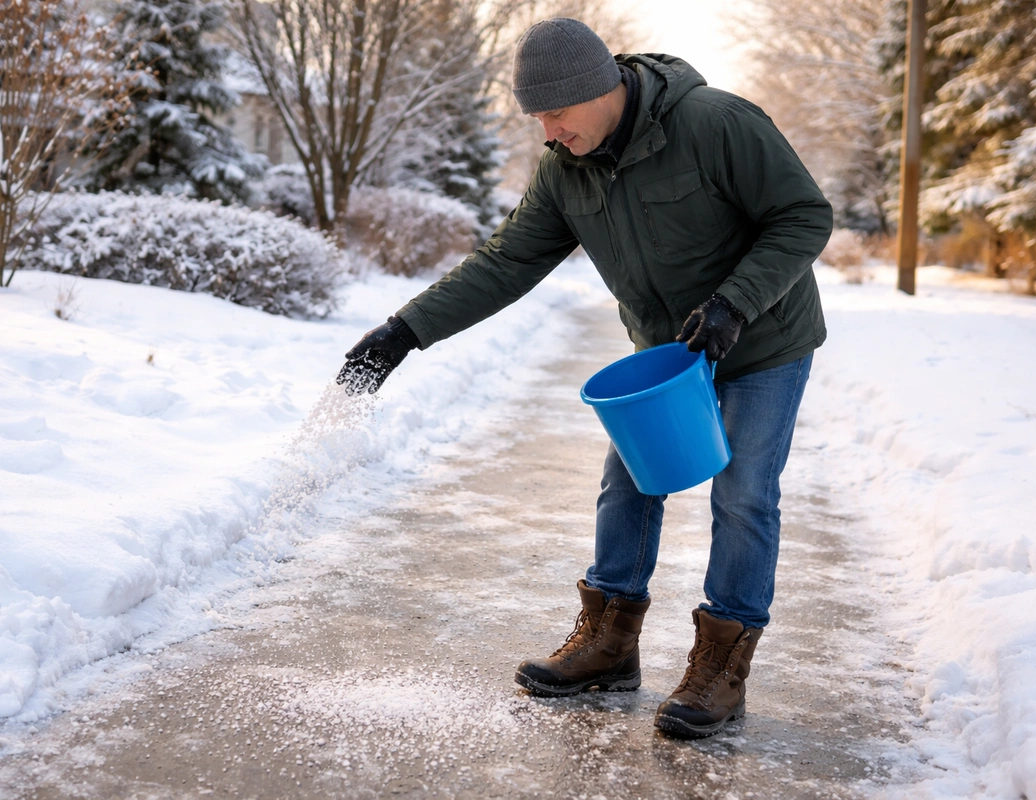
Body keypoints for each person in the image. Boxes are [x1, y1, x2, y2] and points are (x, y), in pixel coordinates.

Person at [336, 18, 832, 740]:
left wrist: (736, 302)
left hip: (764, 340)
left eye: (556, 114)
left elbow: (803, 215)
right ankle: (609, 644)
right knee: (629, 481)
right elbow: (505, 263)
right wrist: (404, 332)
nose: (548, 131)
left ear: (602, 89)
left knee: (745, 490)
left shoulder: (715, 123)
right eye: (538, 116)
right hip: (668, 354)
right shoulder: (565, 170)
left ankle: (721, 669)